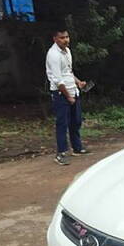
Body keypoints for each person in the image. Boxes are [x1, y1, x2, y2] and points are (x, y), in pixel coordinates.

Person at [45, 28, 89, 165]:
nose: (66, 40)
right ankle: (61, 153)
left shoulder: (67, 51)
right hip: (61, 93)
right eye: (62, 38)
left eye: (67, 37)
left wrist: (78, 82)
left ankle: (77, 147)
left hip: (73, 90)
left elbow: (68, 71)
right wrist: (68, 96)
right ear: (55, 39)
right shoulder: (53, 55)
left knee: (76, 121)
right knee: (62, 123)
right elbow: (58, 80)